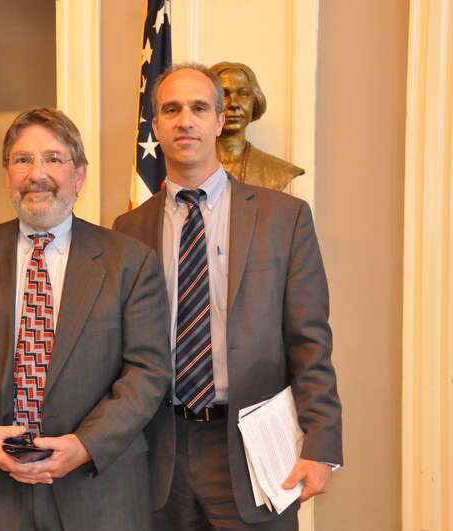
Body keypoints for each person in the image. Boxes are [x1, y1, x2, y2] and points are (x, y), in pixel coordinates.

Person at [113, 64, 342, 529]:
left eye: (199, 108)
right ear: (155, 126)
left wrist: (322, 442)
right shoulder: (128, 229)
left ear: (219, 120)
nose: (185, 121)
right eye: (171, 110)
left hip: (253, 448)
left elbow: (309, 338)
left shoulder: (285, 217)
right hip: (160, 451)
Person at [0, 108, 171, 531]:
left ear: (79, 176)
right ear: (7, 174)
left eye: (54, 159)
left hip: (98, 489)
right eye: (23, 159)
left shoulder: (129, 262)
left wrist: (83, 445)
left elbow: (147, 372)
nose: (37, 173)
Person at [210, 61, 304, 191]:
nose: (234, 104)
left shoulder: (278, 171)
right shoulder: (186, 166)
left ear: (255, 101)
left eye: (243, 94)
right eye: (224, 94)